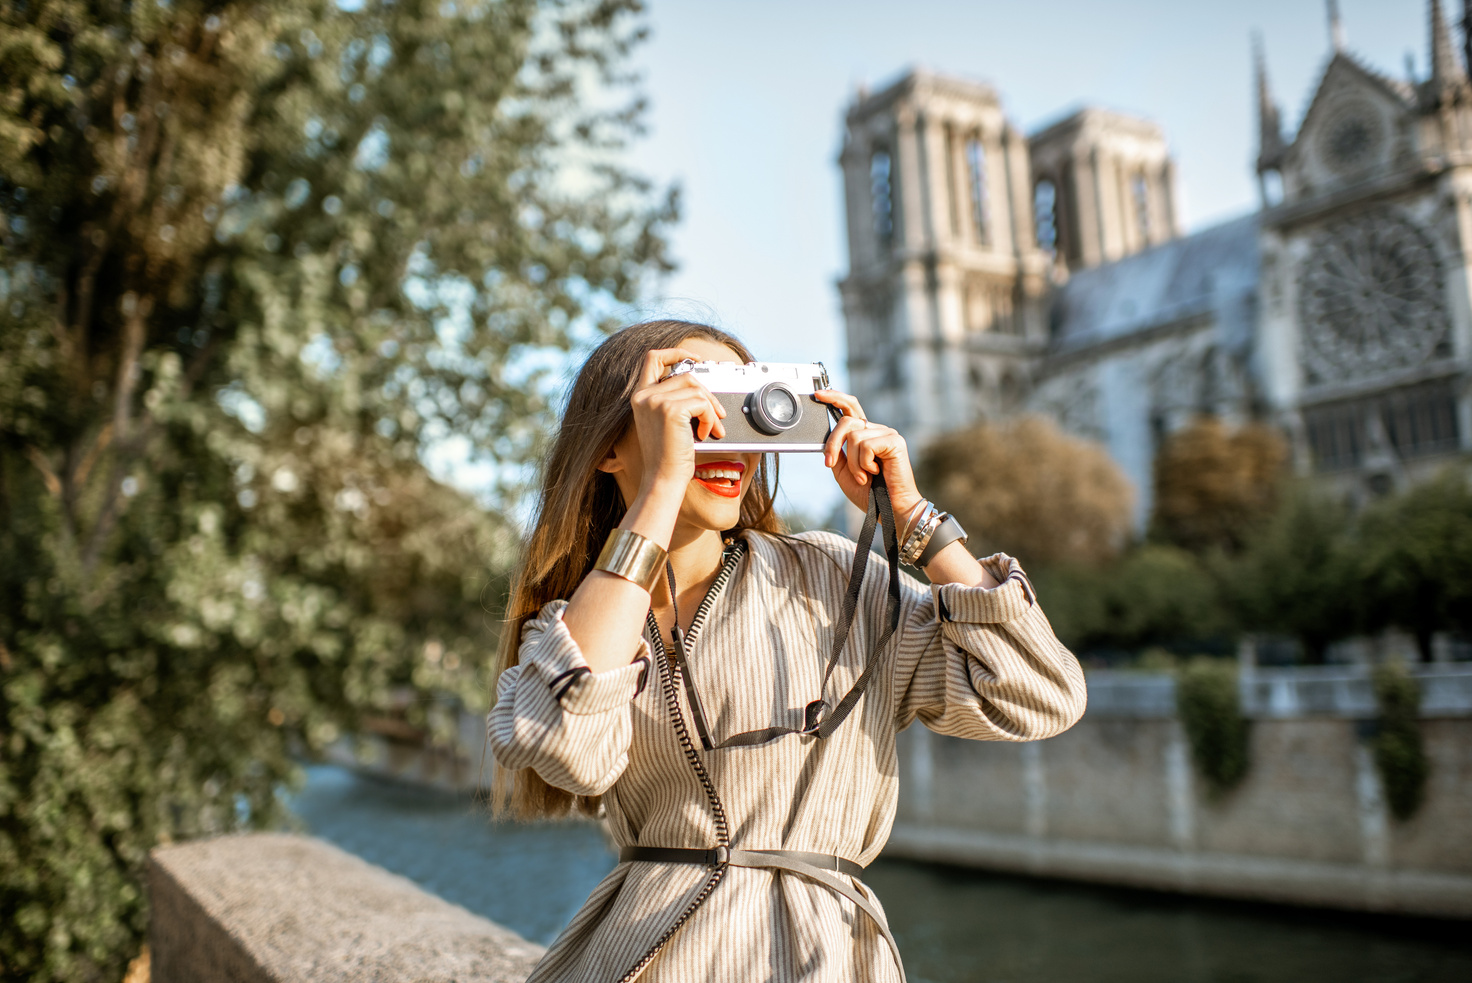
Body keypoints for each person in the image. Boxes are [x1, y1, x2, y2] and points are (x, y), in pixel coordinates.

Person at [488, 320, 1086, 983]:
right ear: (609, 448)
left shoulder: (833, 579)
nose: (722, 434)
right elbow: (567, 748)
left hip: (816, 955)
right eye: (691, 402)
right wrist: (659, 489)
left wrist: (913, 519)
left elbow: (1040, 694)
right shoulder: (583, 618)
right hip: (635, 954)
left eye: (742, 405)